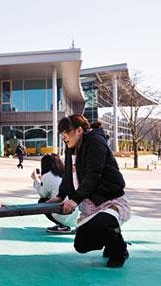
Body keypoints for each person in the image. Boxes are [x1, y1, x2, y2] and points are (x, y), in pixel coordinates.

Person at [48, 114, 131, 268]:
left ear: (79, 130)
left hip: (109, 201)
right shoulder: (70, 147)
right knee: (81, 245)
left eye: (66, 132)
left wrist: (75, 199)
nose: (63, 136)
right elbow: (68, 174)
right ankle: (110, 242)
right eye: (62, 133)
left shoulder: (95, 142)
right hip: (90, 205)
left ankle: (120, 250)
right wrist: (60, 195)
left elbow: (94, 175)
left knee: (103, 223)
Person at [32, 153, 78, 234]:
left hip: (64, 214)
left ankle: (62, 225)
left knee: (42, 202)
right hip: (78, 216)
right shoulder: (66, 173)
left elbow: (43, 194)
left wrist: (36, 179)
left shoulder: (47, 176)